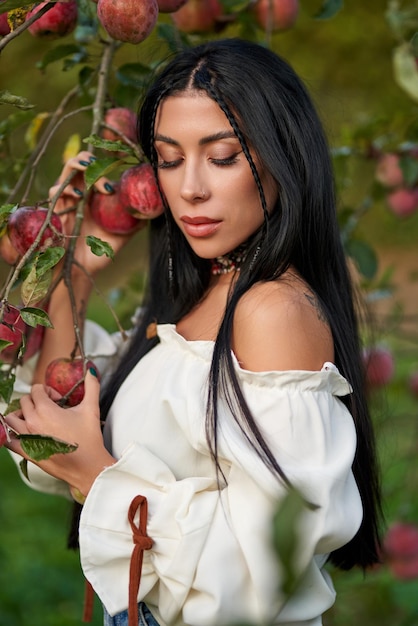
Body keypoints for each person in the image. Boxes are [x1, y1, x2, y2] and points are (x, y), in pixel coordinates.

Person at [4, 37, 382, 626]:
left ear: (285, 158)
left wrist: (94, 475)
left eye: (224, 156)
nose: (190, 189)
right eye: (169, 158)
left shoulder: (271, 314)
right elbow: (68, 412)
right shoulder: (204, 292)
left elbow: (259, 572)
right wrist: (69, 269)